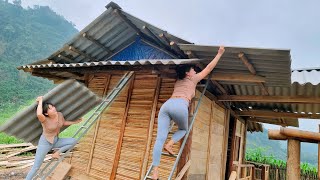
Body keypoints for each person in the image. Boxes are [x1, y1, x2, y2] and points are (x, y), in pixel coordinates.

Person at [151, 46, 225, 179]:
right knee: (183, 130)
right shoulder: (193, 79)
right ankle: (170, 144)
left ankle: (155, 171)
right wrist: (219, 54)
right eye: (192, 69)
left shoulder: (178, 79)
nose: (195, 70)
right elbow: (208, 68)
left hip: (167, 105)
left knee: (159, 138)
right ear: (188, 74)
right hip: (180, 105)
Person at [26, 96, 83, 180]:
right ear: (46, 113)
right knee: (36, 167)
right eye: (50, 108)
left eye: (53, 106)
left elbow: (63, 122)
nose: (53, 109)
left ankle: (57, 153)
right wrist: (40, 101)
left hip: (56, 141)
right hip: (45, 143)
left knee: (74, 141)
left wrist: (75, 122)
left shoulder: (59, 114)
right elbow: (38, 114)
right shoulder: (44, 119)